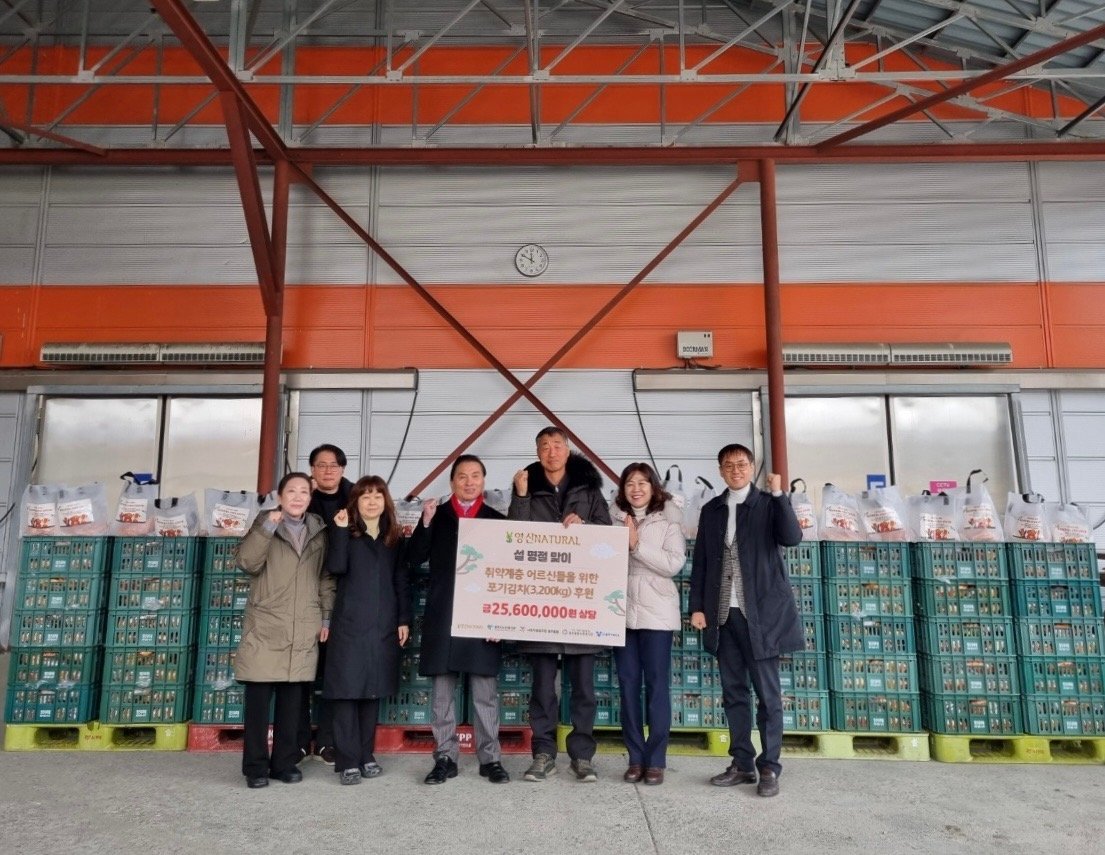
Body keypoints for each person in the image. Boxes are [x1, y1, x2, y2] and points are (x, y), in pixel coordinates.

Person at [689, 443, 803, 798]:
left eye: (741, 464)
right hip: (724, 615)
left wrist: (780, 495)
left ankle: (769, 767)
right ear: (720, 471)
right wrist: (697, 607)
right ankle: (741, 763)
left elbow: (792, 537)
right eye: (728, 465)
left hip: (762, 616)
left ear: (752, 468)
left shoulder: (768, 504)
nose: (735, 470)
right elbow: (701, 562)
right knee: (733, 693)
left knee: (768, 695)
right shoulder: (712, 510)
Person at [508, 426, 612, 783]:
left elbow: (608, 535)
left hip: (580, 604)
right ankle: (543, 753)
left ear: (568, 451)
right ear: (537, 453)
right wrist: (522, 496)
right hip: (540, 605)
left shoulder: (589, 490)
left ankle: (582, 757)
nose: (551, 452)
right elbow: (513, 536)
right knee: (542, 689)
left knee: (583, 690)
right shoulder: (526, 486)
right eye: (544, 446)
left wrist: (585, 526)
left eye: (557, 445)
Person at [407, 454, 511, 786]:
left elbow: (507, 574)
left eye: (475, 475)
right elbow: (413, 558)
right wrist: (425, 522)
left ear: (484, 481)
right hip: (444, 613)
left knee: (485, 693)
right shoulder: (437, 516)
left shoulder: (496, 520)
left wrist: (498, 619)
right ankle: (445, 757)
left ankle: (490, 759)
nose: (469, 482)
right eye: (462, 476)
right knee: (442, 693)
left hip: (483, 617)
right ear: (452, 482)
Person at [234, 472, 333, 789]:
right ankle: (255, 767)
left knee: (293, 703)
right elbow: (247, 562)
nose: (298, 497)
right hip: (266, 624)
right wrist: (268, 527)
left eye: (304, 491)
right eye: (292, 491)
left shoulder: (318, 530)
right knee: (258, 704)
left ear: (310, 498)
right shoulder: (265, 523)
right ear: (280, 496)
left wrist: (326, 618)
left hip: (303, 623)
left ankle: (284, 763)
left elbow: (325, 578)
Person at [324, 475, 411, 785]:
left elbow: (401, 580)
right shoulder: (347, 532)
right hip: (350, 624)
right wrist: (339, 530)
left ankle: (366, 754)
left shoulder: (393, 538)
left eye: (377, 495)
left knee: (372, 690)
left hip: (383, 624)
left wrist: (403, 618)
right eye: (365, 496)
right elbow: (336, 567)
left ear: (385, 501)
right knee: (347, 691)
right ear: (355, 502)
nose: (372, 502)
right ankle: (347, 760)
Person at [609, 463, 685, 786]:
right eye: (630, 483)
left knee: (656, 686)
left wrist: (636, 545)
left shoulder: (668, 521)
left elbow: (673, 563)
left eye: (642, 483)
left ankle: (656, 760)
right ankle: (635, 758)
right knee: (627, 686)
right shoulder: (612, 519)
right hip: (619, 610)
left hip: (657, 612)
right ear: (622, 489)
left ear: (653, 487)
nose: (636, 489)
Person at [300, 443, 352, 765]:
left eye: (334, 465)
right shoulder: (301, 499)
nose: (328, 470)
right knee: (301, 670)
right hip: (304, 591)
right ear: (312, 470)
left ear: (343, 469)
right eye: (321, 465)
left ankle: (328, 740)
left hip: (343, 595)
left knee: (336, 671)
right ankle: (299, 739)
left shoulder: (357, 498)